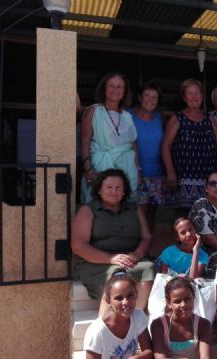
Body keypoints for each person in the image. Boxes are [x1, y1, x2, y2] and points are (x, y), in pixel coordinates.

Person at [72, 169, 155, 316]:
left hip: (130, 259)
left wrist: (137, 254)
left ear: (124, 191)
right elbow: (78, 246)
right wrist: (111, 259)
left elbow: (146, 237)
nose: (114, 191)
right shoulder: (88, 210)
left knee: (148, 268)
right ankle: (105, 324)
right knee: (118, 276)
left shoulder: (134, 208)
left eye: (118, 188)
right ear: (99, 190)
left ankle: (135, 317)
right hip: (96, 263)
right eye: (109, 187)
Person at [162, 78, 217, 213]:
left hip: (208, 178)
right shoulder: (177, 117)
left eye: (197, 93)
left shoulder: (209, 118)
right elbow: (165, 146)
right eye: (190, 93)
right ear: (184, 97)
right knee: (184, 221)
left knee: (207, 217)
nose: (194, 97)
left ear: (202, 96)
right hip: (184, 178)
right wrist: (170, 172)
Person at [81, 72, 139, 203]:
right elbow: (85, 141)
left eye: (119, 87)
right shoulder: (94, 111)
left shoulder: (127, 116)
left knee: (125, 210)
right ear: (104, 88)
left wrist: (138, 170)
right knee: (99, 209)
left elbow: (132, 145)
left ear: (124, 92)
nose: (115, 90)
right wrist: (88, 169)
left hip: (128, 173)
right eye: (111, 86)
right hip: (100, 169)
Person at [83, 269, 153, 359]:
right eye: (119, 298)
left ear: (136, 295)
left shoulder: (138, 316)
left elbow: (149, 351)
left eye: (130, 295)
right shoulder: (97, 332)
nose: (126, 302)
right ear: (108, 301)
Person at [128, 81, 164, 233]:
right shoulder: (128, 115)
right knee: (138, 215)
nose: (150, 100)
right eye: (147, 96)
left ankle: (147, 250)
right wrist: (136, 169)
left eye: (154, 97)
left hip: (157, 174)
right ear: (139, 97)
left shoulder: (159, 117)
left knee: (151, 216)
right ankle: (136, 248)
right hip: (137, 173)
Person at [151, 276, 212, 359]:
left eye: (187, 299)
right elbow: (160, 358)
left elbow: (205, 357)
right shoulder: (158, 325)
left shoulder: (203, 325)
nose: (183, 304)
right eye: (177, 301)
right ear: (169, 303)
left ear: (193, 298)